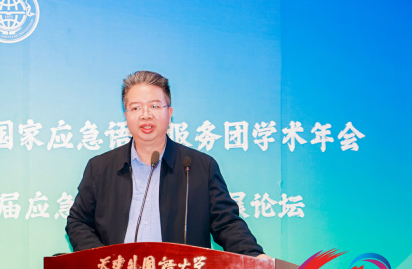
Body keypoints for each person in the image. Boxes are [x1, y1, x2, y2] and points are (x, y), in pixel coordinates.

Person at [66, 71, 269, 259]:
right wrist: (102, 261)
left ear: (169, 112)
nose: (146, 115)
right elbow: (78, 222)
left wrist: (255, 256)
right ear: (126, 115)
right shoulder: (100, 168)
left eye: (154, 106)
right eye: (136, 108)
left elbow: (227, 223)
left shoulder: (199, 167)